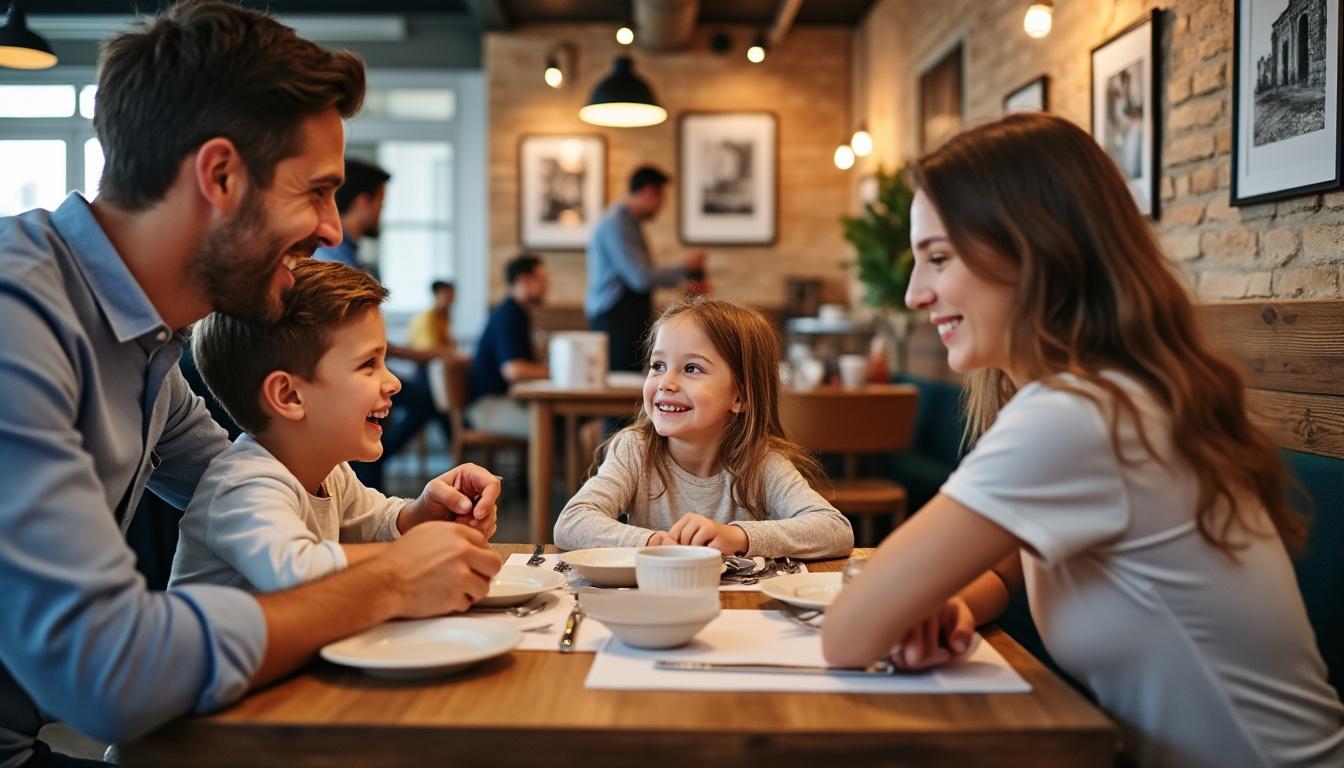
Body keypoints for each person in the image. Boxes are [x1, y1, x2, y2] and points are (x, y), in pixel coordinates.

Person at [0, 4, 501, 765]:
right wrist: (391, 581)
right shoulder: (20, 323)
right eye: (317, 191)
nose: (333, 229)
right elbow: (111, 675)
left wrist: (405, 523)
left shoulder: (142, 344)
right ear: (221, 176)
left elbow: (259, 476)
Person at [820, 113, 1344, 767]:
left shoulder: (1079, 415)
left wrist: (902, 608)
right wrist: (950, 604)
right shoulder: (1117, 395)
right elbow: (1010, 565)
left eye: (939, 258)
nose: (914, 292)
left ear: (1034, 250)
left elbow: (847, 632)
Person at [170, 261, 496, 592]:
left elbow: (375, 523)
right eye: (369, 363)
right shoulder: (242, 486)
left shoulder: (329, 472)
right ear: (290, 396)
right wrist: (421, 552)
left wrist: (426, 512)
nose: (394, 382)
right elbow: (299, 572)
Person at [554, 296, 853, 559]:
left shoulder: (761, 461)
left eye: (692, 369)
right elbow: (571, 522)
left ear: (741, 396)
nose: (666, 383)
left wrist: (738, 537)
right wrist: (652, 542)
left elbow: (834, 530)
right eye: (658, 366)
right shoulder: (635, 450)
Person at [586, 165, 707, 372]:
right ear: (649, 192)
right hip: (615, 319)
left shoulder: (629, 223)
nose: (661, 207)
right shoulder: (615, 224)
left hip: (626, 316)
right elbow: (639, 277)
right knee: (621, 387)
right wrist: (684, 269)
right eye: (662, 199)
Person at [466, 254, 550, 439]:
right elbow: (513, 370)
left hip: (503, 400)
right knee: (549, 424)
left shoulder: (518, 313)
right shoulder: (508, 314)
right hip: (488, 406)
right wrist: (556, 373)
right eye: (542, 279)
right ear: (524, 280)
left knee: (557, 419)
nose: (546, 286)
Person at [313, 157, 388, 275]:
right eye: (381, 204)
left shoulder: (347, 258)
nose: (381, 212)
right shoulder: (330, 264)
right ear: (362, 202)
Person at [407, 279, 456, 353]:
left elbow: (447, 341)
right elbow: (429, 347)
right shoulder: (427, 317)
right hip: (420, 357)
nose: (451, 300)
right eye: (447, 296)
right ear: (436, 295)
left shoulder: (445, 316)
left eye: (452, 297)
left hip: (435, 355)